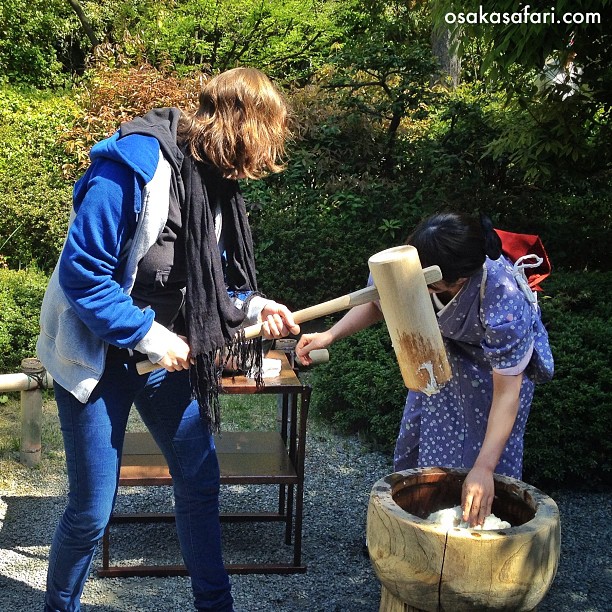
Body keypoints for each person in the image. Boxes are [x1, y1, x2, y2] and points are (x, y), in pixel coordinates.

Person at [37, 67, 300, 612]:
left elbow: (216, 278)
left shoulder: (215, 184)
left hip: (165, 359)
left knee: (200, 480)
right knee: (91, 510)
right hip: (98, 354)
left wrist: (254, 305)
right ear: (237, 130)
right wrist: (150, 336)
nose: (257, 166)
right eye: (261, 145)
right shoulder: (132, 165)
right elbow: (82, 272)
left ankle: (215, 606)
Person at [296, 212, 553, 528]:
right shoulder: (415, 263)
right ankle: (415, 532)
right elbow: (380, 300)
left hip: (496, 378)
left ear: (457, 280)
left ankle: (479, 541)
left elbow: (507, 394)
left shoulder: (502, 294)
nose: (412, 276)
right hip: (440, 359)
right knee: (423, 441)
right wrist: (329, 335)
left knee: (482, 460)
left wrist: (484, 468)